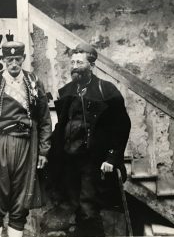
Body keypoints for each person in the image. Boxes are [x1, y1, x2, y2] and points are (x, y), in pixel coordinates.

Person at [48, 43, 131, 237]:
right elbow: (61, 126)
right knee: (71, 207)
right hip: (69, 161)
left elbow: (122, 126)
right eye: (73, 62)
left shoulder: (106, 90)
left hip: (92, 162)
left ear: (92, 66)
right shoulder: (67, 91)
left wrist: (112, 158)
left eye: (79, 62)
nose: (75, 66)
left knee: (88, 209)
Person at [0, 41, 52, 237]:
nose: (14, 64)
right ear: (3, 60)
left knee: (21, 200)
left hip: (26, 145)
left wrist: (43, 151)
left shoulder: (33, 82)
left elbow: (44, 119)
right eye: (10, 60)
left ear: (23, 59)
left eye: (18, 59)